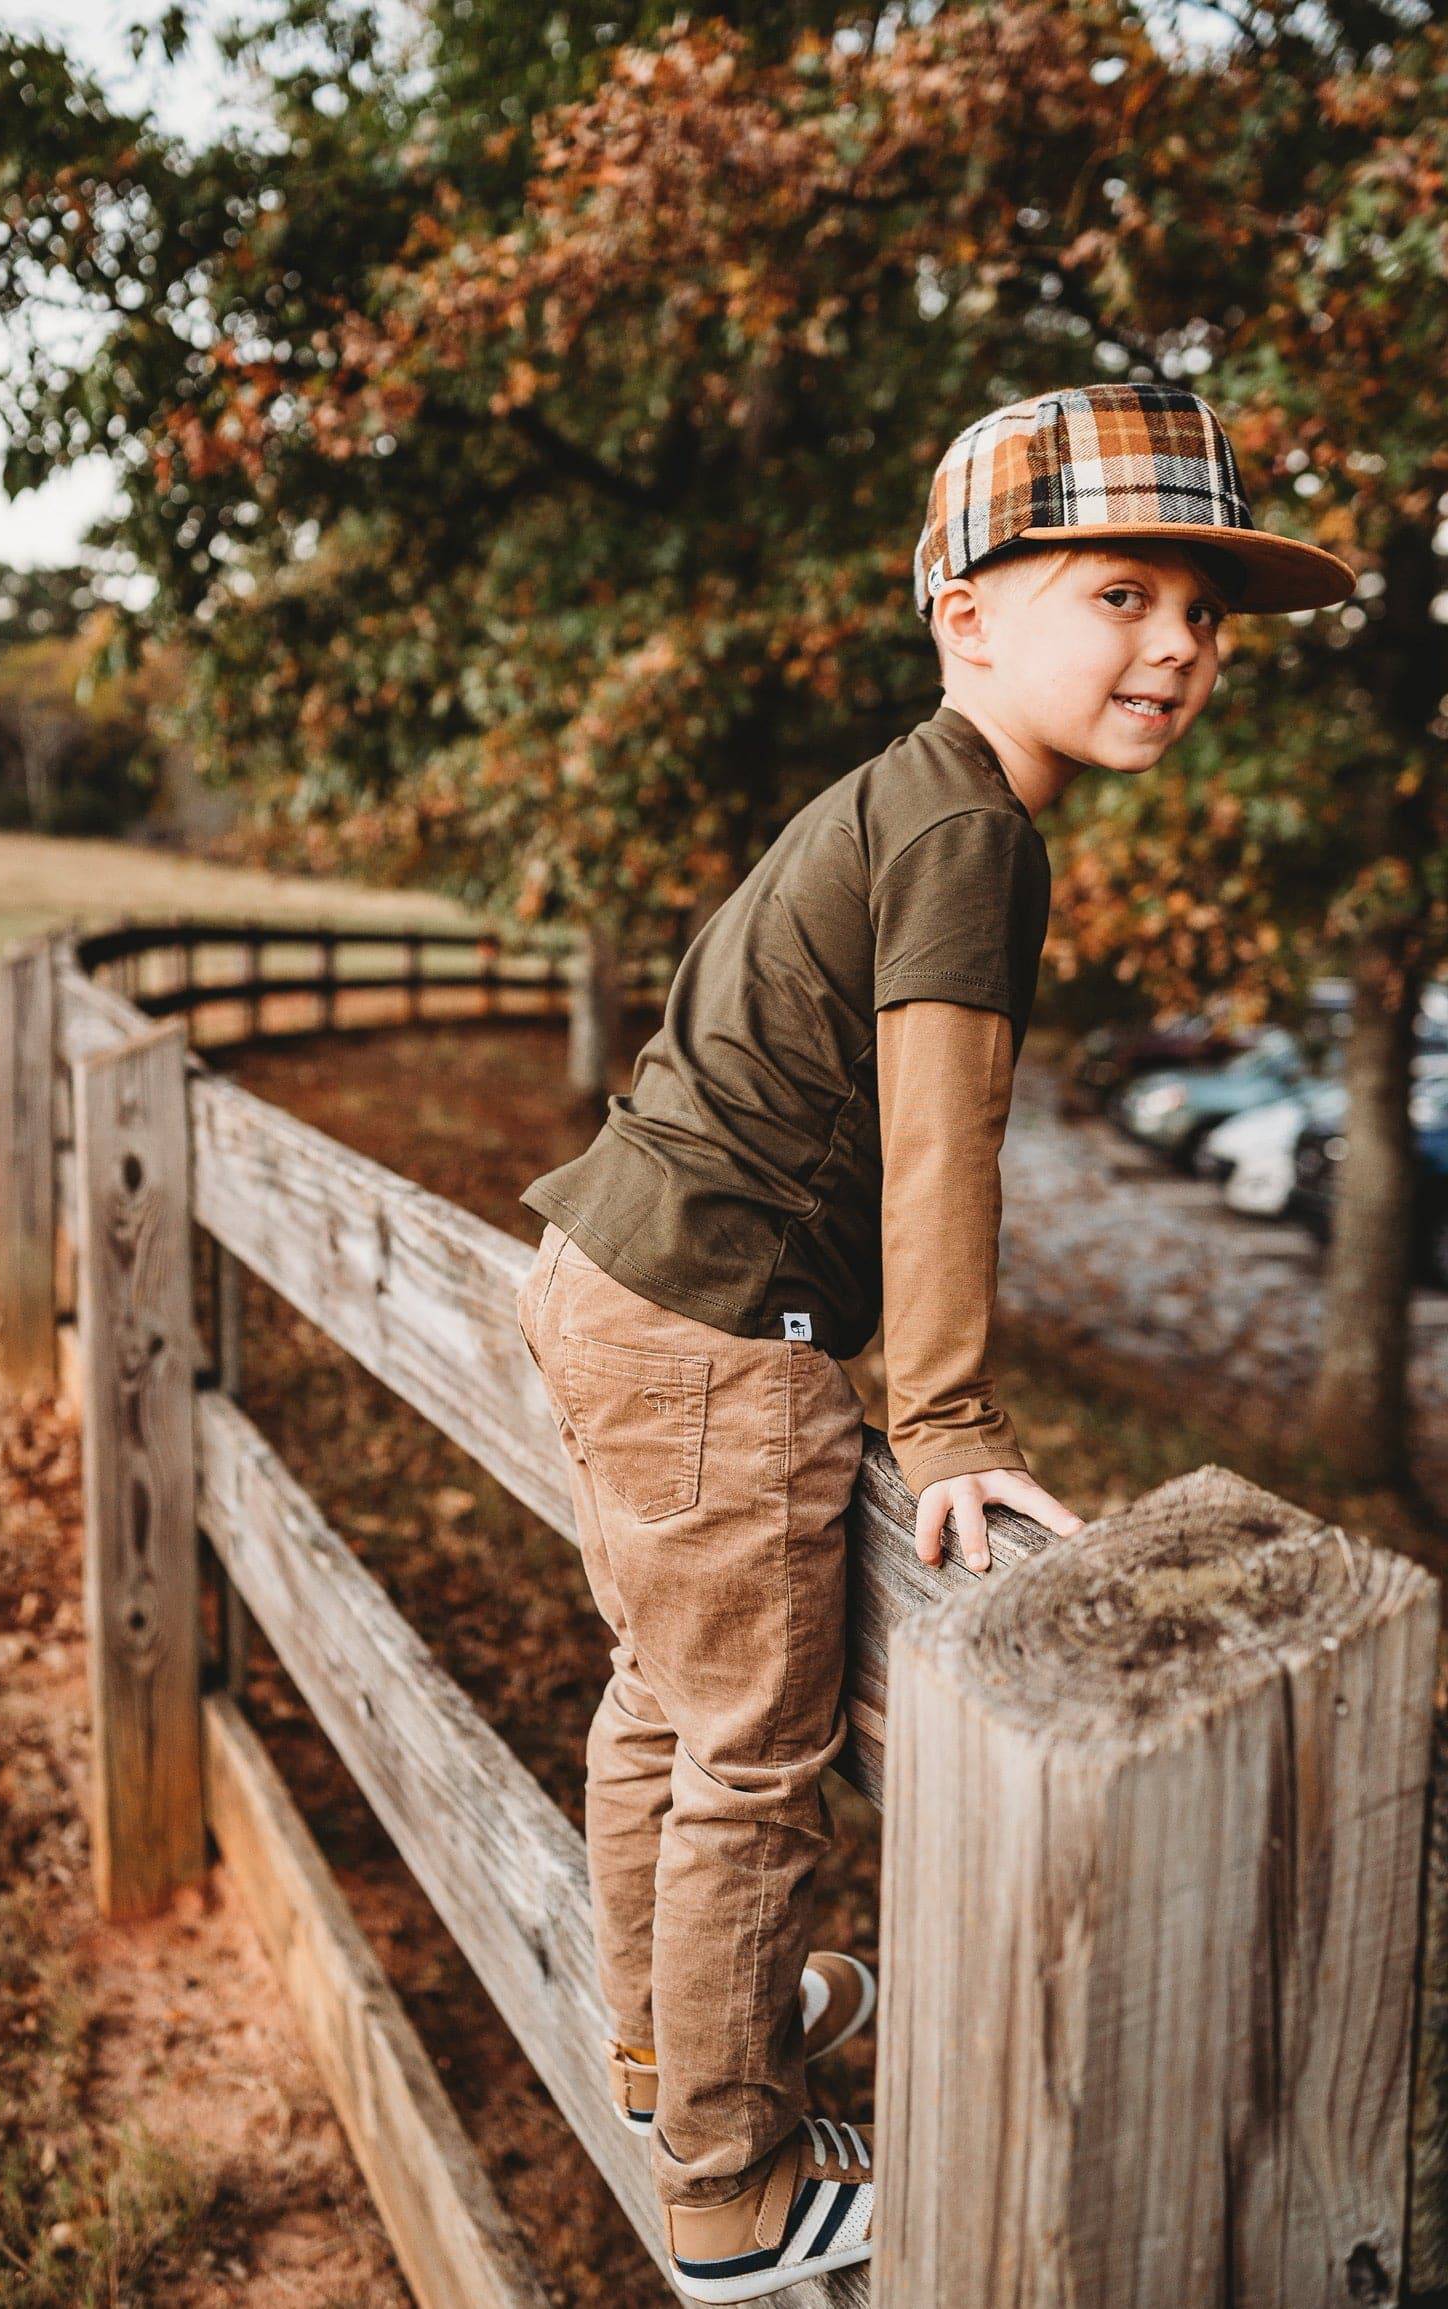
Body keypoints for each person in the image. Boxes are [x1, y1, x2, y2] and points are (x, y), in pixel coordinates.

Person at [514, 380, 1356, 2301]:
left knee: (663, 1693)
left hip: (608, 1276)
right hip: (724, 1330)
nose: (1179, 646)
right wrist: (950, 1416)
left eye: (1208, 617)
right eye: (1125, 591)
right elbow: (940, 1140)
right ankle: (725, 2179)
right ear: (969, 612)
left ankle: (670, 2034)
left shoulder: (893, 792)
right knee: (751, 1747)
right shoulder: (973, 835)